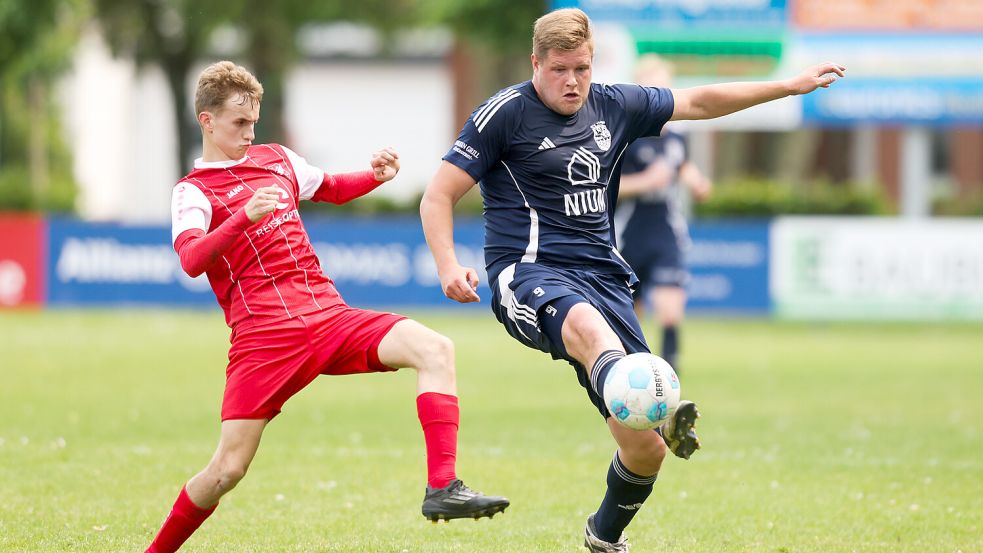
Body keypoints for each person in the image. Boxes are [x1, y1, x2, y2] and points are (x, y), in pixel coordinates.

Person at [419, 8, 843, 552]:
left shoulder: (615, 103)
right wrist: (448, 266)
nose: (573, 81)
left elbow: (699, 102)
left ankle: (604, 535)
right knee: (590, 331)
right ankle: (652, 404)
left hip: (605, 276)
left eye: (583, 68)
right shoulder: (502, 114)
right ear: (536, 63)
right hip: (528, 272)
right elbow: (439, 194)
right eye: (560, 70)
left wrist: (787, 86)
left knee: (646, 453)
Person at [145, 61, 508, 553]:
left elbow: (331, 187)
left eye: (254, 122)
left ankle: (442, 488)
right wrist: (240, 221)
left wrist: (374, 176)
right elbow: (190, 259)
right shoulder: (193, 191)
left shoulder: (276, 158)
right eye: (238, 124)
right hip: (265, 339)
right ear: (206, 122)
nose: (250, 133)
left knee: (435, 348)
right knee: (227, 470)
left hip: (329, 317)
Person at [614, 54, 713, 374]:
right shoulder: (623, 138)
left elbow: (681, 165)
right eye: (655, 88)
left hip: (666, 229)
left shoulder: (676, 138)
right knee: (630, 313)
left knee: (671, 311)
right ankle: (631, 374)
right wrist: (644, 182)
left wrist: (696, 182)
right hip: (629, 231)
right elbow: (606, 187)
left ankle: (671, 376)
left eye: (666, 88)